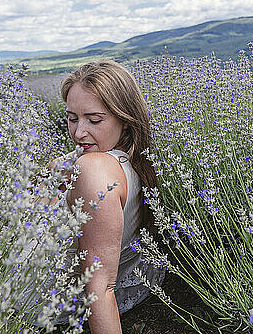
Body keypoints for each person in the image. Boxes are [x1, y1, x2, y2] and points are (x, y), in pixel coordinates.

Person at [49, 60, 165, 334]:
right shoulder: (131, 156)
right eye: (72, 118)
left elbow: (101, 287)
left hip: (39, 294)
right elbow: (57, 168)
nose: (78, 133)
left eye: (94, 119)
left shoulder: (95, 169)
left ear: (125, 119)